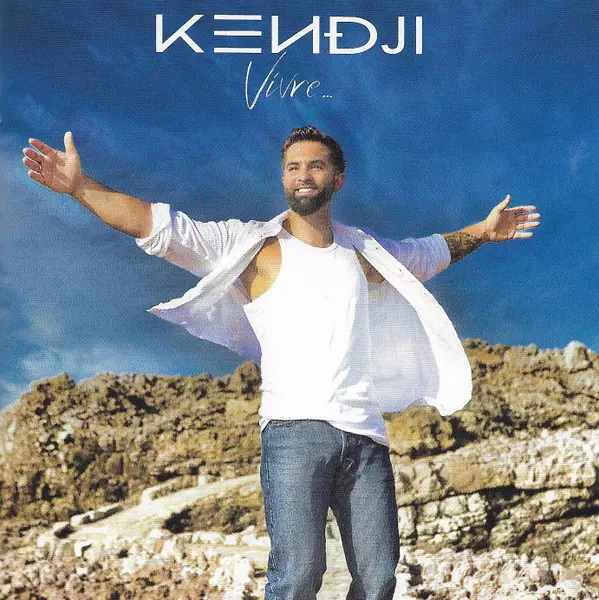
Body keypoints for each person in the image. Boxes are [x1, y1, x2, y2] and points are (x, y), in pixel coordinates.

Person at [22, 126, 540, 600]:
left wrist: (482, 230)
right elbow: (158, 226)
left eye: (315, 165)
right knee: (297, 576)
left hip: (365, 437)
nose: (302, 175)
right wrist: (80, 187)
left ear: (337, 178)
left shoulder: (365, 252)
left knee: (379, 577)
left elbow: (425, 254)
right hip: (293, 433)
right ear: (283, 178)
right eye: (293, 167)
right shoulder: (252, 246)